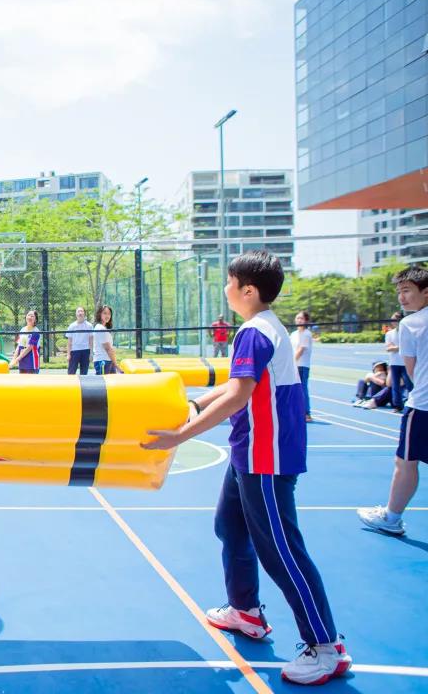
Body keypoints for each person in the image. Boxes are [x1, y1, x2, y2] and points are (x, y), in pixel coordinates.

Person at [144, 250, 352, 686]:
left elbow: (239, 396)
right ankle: (246, 611)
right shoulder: (262, 328)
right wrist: (194, 404)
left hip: (266, 458)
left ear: (249, 290)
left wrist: (181, 435)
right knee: (230, 528)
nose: (226, 288)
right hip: (249, 453)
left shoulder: (256, 332)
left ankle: (325, 646)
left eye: (229, 281)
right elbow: (236, 385)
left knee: (282, 551)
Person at [357, 265, 428, 537]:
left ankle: (391, 517)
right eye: (399, 291)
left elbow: (412, 369)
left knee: (405, 462)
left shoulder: (410, 324)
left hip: (422, 405)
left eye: (407, 290)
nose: (402, 297)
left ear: (426, 291)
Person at [384, 312, 412, 411]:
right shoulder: (389, 333)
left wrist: (395, 347)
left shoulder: (408, 332)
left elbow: (409, 347)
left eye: (394, 320)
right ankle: (397, 406)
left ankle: (412, 405)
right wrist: (400, 347)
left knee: (410, 385)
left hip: (406, 363)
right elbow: (388, 348)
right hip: (394, 363)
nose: (392, 322)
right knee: (395, 385)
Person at [291, 310, 314, 422]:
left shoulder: (306, 334)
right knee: (293, 389)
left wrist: (292, 362)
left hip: (302, 366)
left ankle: (306, 413)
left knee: (302, 389)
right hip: (293, 366)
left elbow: (301, 350)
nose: (299, 320)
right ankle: (296, 412)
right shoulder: (293, 334)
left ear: (306, 321)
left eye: (301, 318)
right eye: (297, 318)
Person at [8, 310, 41, 374]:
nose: (29, 317)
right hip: (22, 359)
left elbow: (29, 347)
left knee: (32, 379)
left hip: (32, 360)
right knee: (22, 378)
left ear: (35, 319)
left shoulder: (36, 331)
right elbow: (19, 345)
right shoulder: (22, 329)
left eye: (32, 316)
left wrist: (17, 359)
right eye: (28, 315)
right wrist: (13, 359)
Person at [65, 307, 93, 375]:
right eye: (78, 311)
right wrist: (68, 354)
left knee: (84, 373)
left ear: (84, 313)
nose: (80, 313)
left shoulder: (89, 326)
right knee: (71, 372)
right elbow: (69, 342)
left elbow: (91, 341)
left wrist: (91, 354)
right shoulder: (72, 326)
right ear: (76, 314)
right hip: (74, 351)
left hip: (86, 351)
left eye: (82, 311)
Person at [92, 305, 117, 374]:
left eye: (109, 314)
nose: (107, 316)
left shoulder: (104, 328)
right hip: (103, 361)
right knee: (103, 381)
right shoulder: (100, 328)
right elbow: (108, 349)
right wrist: (116, 365)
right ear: (99, 314)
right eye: (105, 313)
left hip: (108, 360)